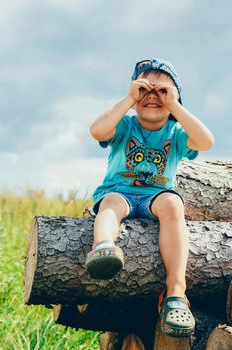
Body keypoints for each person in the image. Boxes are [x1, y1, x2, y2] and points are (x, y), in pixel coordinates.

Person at [85, 58, 214, 337]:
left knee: (173, 202)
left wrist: (175, 106)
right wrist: (129, 99)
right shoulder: (125, 126)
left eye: (162, 91)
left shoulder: (176, 133)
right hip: (119, 192)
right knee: (110, 205)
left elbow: (206, 141)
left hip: (157, 195)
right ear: (134, 96)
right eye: (144, 90)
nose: (153, 96)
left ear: (174, 97)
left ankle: (176, 291)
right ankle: (104, 247)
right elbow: (96, 130)